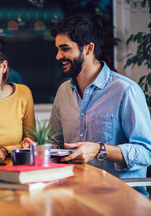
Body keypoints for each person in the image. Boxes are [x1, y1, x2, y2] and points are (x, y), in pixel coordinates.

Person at [22, 13, 151, 195]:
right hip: (75, 192)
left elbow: (146, 152)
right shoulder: (63, 92)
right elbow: (57, 144)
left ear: (89, 49)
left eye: (65, 48)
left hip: (120, 196)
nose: (59, 56)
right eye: (58, 49)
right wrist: (37, 148)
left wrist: (100, 149)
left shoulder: (126, 91)